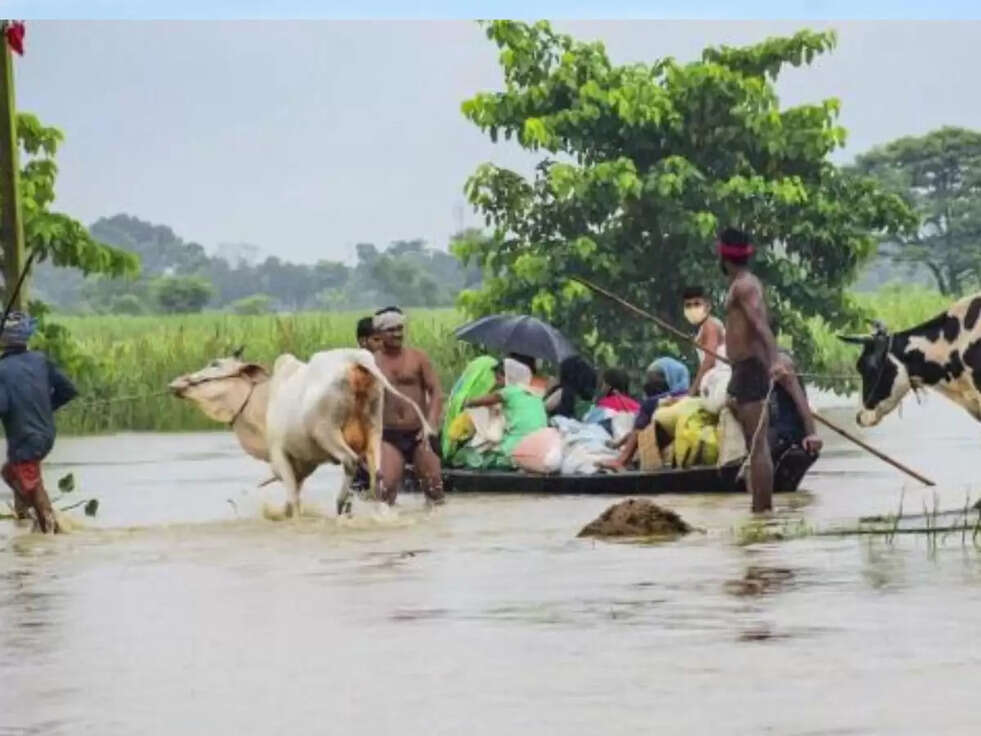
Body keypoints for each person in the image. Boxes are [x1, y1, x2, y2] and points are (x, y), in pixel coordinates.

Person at [718, 227, 785, 512]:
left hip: (752, 368)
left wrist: (775, 361)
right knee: (752, 443)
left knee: (757, 445)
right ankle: (759, 508)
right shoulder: (740, 284)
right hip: (742, 369)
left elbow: (759, 324)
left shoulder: (745, 285)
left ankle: (763, 512)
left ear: (723, 255)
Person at [0, 311, 78, 533]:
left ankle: (49, 531)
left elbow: (2, 407)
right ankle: (34, 517)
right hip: (45, 435)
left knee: (33, 486)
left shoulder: (2, 370)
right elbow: (68, 390)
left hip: (25, 439)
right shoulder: (40, 360)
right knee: (9, 473)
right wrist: (46, 407)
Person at [372, 306, 445, 505]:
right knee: (385, 490)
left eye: (399, 329)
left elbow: (437, 392)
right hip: (388, 436)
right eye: (390, 330)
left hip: (419, 433)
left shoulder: (418, 357)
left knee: (435, 487)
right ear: (378, 334)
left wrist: (430, 424)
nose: (397, 334)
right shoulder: (371, 363)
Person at [600, 357, 690, 471]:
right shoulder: (687, 396)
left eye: (654, 378)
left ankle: (622, 460)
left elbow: (639, 428)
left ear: (669, 377)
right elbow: (639, 431)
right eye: (649, 379)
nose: (649, 383)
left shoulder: (656, 402)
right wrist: (618, 444)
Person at [463, 358, 547, 463]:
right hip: (541, 443)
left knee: (482, 457)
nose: (496, 382)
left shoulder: (509, 392)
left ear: (508, 377)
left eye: (498, 379)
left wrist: (465, 402)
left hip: (517, 443)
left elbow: (482, 401)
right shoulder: (533, 393)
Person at [682, 286, 726, 396]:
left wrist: (692, 391)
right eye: (688, 305)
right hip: (713, 382)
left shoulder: (710, 325)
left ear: (708, 306)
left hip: (720, 383)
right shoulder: (704, 327)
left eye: (697, 304)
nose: (692, 309)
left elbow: (710, 360)